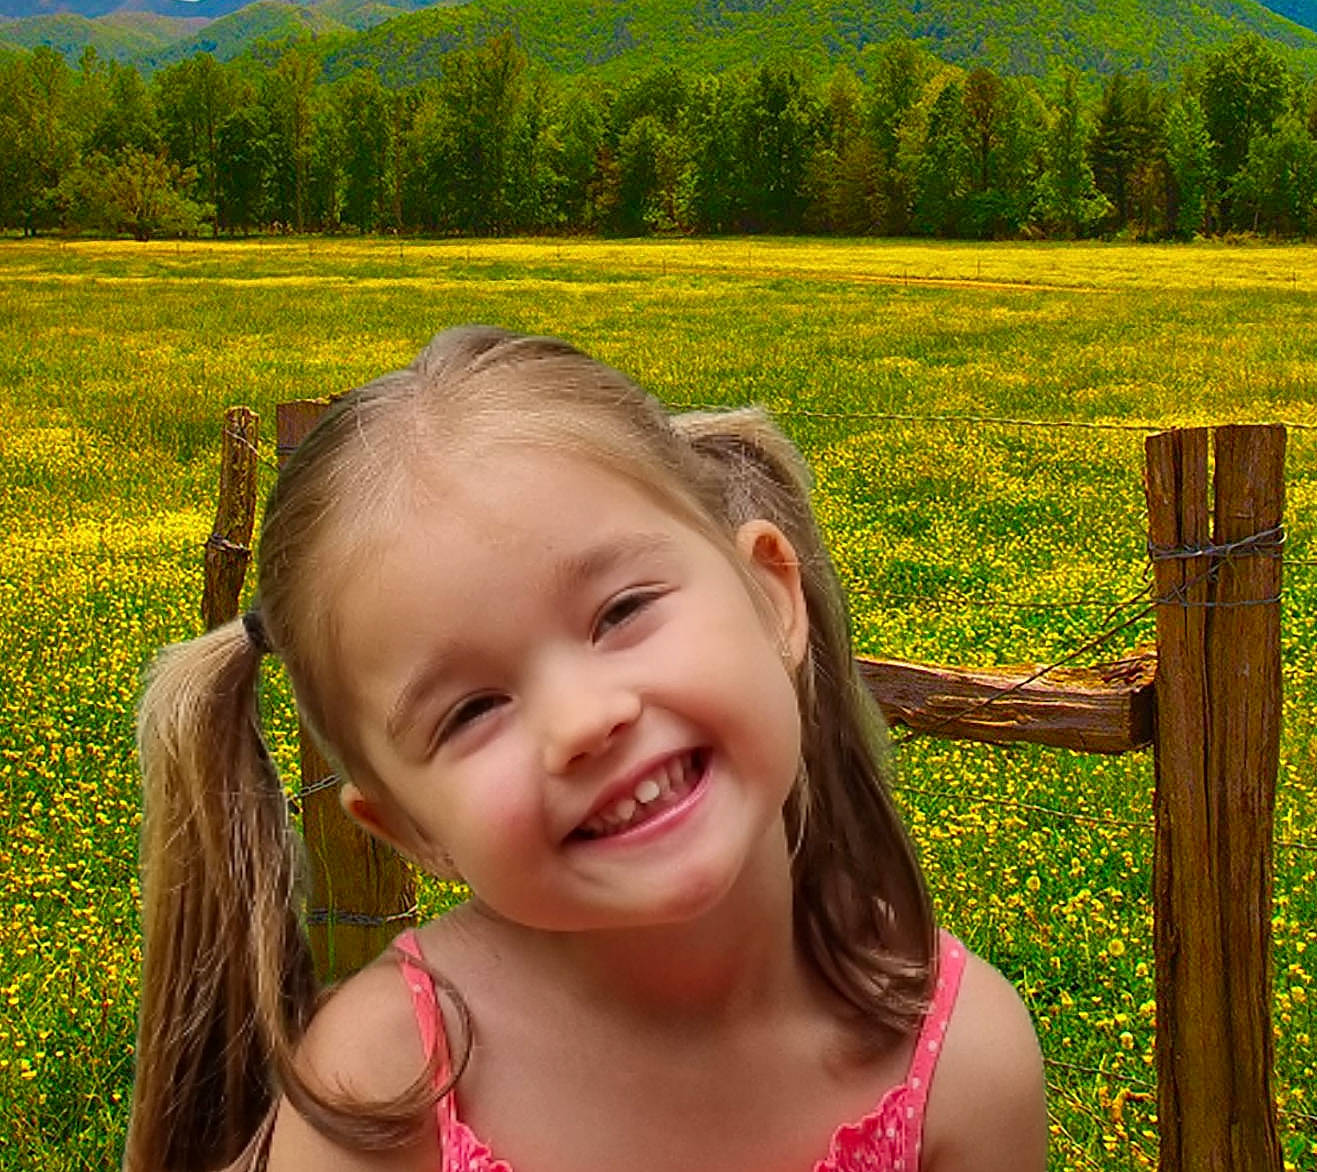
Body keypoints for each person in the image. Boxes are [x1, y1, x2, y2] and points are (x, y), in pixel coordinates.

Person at [124, 326, 1046, 1172]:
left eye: (622, 611)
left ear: (772, 597)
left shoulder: (962, 1063)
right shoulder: (382, 1090)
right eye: (473, 710)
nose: (580, 722)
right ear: (409, 830)